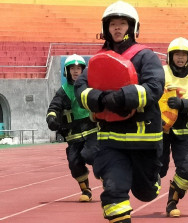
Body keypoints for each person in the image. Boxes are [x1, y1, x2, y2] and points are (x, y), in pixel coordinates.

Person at [74, 1, 165, 222]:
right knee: (114, 192)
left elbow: (155, 87)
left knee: (146, 193)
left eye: (122, 24)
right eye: (113, 24)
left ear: (132, 27)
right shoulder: (97, 59)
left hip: (143, 141)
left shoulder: (146, 56)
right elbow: (81, 88)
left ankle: (150, 181)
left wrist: (122, 97)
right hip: (110, 141)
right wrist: (99, 99)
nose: (117, 28)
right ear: (106, 28)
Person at [158, 37, 188, 217]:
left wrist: (183, 104)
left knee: (186, 170)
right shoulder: (160, 72)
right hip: (160, 130)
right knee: (158, 169)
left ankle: (172, 202)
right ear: (170, 56)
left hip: (183, 132)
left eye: (184, 55)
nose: (180, 58)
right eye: (176, 54)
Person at [46, 54, 99, 202]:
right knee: (74, 162)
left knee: (92, 154)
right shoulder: (63, 91)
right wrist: (51, 118)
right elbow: (54, 107)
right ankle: (86, 190)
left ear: (83, 70)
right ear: (66, 71)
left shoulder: (91, 86)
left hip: (92, 130)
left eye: (79, 68)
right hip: (73, 134)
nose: (76, 71)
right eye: (72, 68)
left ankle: (108, 183)